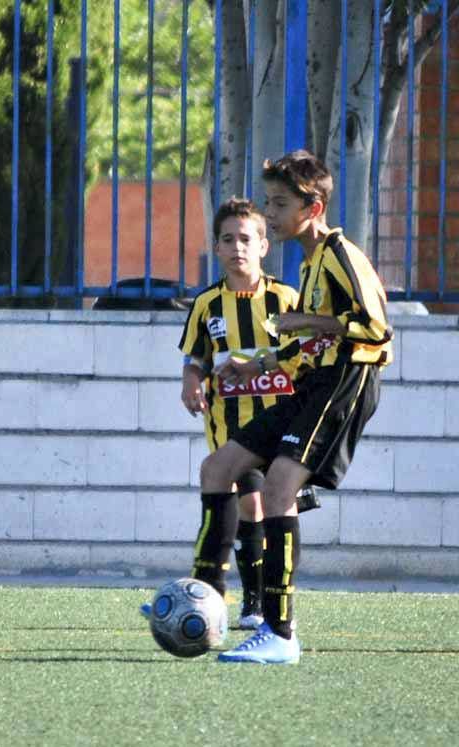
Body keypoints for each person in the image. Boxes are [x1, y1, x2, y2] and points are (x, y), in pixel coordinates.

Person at [190, 151, 393, 664]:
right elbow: (303, 344)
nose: (271, 213)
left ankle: (280, 632)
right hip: (313, 381)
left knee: (279, 488)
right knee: (219, 466)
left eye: (280, 204)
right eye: (269, 202)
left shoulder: (342, 253)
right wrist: (253, 365)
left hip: (345, 382)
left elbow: (375, 328)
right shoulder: (311, 262)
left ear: (314, 205)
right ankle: (207, 596)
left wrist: (310, 323)